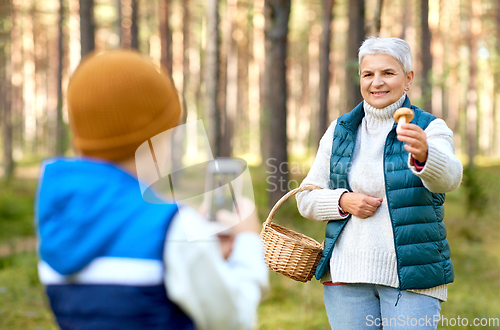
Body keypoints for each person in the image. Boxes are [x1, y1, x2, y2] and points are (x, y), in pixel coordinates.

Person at [35, 50, 268, 330]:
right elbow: (234, 319)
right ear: (157, 138)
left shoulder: (58, 221)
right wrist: (247, 242)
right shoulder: (174, 229)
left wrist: (204, 252)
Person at [296, 37, 462, 330]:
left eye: (388, 73)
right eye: (368, 74)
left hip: (410, 280)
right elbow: (305, 198)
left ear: (408, 78)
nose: (376, 83)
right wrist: (342, 201)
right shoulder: (340, 130)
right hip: (346, 277)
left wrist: (425, 154)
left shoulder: (428, 128)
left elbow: (449, 179)